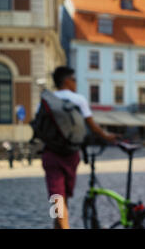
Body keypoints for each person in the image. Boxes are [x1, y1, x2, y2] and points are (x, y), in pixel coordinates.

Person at [42, 66, 117, 229]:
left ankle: (60, 224)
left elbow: (38, 126)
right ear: (66, 81)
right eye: (74, 80)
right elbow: (93, 126)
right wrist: (108, 137)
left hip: (51, 154)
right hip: (71, 155)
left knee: (57, 197)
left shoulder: (46, 100)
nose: (76, 83)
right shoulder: (78, 99)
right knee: (63, 197)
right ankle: (63, 224)